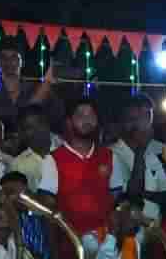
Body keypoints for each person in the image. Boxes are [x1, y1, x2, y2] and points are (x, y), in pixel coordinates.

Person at [39, 90, 127, 239]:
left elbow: (118, 199)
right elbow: (48, 206)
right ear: (69, 121)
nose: (87, 120)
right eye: (80, 116)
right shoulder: (53, 159)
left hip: (106, 242)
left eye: (91, 116)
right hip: (70, 242)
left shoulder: (110, 157)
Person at [111, 93, 166, 221]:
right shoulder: (111, 153)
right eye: (134, 118)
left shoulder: (160, 148)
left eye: (146, 117)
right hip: (128, 231)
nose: (141, 124)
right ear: (123, 121)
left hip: (157, 230)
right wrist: (141, 148)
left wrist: (147, 194)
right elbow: (130, 195)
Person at [0, 49, 51, 121]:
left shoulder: (33, 88)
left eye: (14, 57)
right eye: (4, 57)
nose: (9, 61)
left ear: (22, 62)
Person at [10, 104, 60, 190]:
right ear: (23, 133)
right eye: (29, 127)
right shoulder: (18, 165)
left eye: (39, 124)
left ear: (47, 124)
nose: (36, 130)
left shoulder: (65, 150)